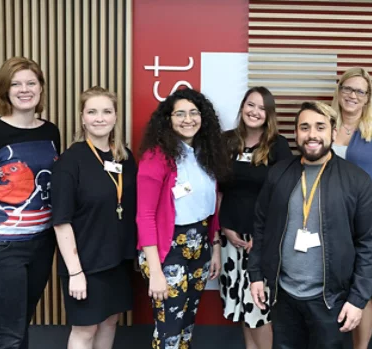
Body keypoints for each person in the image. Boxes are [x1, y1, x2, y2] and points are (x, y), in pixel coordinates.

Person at [248, 101, 372, 349]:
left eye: (320, 127)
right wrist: (255, 275)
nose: (312, 135)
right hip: (283, 296)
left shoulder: (356, 181)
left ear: (332, 132)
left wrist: (358, 299)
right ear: (296, 133)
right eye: (304, 127)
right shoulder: (278, 174)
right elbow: (261, 226)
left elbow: (368, 244)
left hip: (331, 300)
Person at [0, 56, 60, 348]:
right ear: (5, 91)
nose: (24, 89)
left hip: (40, 244)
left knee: (19, 328)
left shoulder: (50, 131)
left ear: (41, 88)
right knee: (8, 336)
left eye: (31, 82)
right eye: (16, 84)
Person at [137, 88, 231, 349]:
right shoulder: (156, 156)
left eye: (194, 113)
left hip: (199, 246)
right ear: (168, 119)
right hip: (167, 252)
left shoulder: (205, 154)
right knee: (169, 328)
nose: (188, 119)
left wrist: (214, 248)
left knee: (187, 323)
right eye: (180, 113)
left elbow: (209, 206)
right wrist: (156, 272)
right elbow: (144, 216)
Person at [51, 86, 137, 349]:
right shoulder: (70, 161)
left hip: (118, 260)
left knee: (110, 321)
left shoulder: (125, 157)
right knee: (85, 329)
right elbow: (61, 221)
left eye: (106, 111)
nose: (100, 118)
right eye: (92, 112)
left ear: (115, 117)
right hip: (85, 264)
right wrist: (75, 272)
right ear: (82, 117)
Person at [219, 87, 292, 349]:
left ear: (269, 114)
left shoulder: (278, 146)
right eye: (251, 105)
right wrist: (223, 227)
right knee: (241, 306)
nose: (255, 112)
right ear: (242, 107)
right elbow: (217, 189)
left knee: (258, 309)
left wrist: (262, 240)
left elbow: (285, 196)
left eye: (262, 108)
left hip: (260, 242)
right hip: (230, 241)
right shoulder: (226, 141)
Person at [330, 67, 372, 349]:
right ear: (339, 90)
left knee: (362, 292)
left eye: (360, 91)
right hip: (326, 224)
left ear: (368, 97)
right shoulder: (324, 123)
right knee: (327, 289)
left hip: (365, 226)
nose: (353, 95)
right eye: (348, 88)